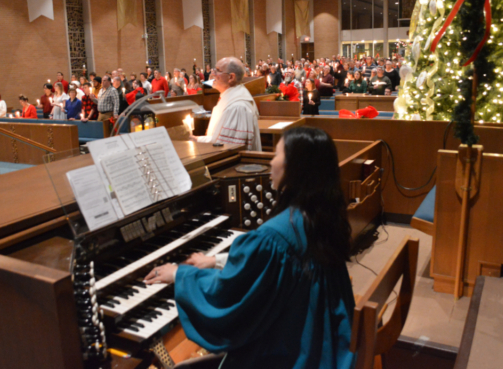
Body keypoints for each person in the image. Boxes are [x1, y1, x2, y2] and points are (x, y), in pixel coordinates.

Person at [144, 127, 356, 369]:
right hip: (328, 340)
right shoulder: (319, 216)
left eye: (275, 155)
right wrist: (215, 262)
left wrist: (180, 274)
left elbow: (229, 297)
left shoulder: (275, 235)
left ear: (294, 168)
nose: (271, 162)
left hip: (295, 355)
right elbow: (275, 268)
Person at [190, 57, 261, 151]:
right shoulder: (232, 96)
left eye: (218, 71)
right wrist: (197, 138)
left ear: (231, 77)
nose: (212, 74)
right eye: (213, 70)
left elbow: (226, 147)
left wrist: (196, 140)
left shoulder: (237, 107)